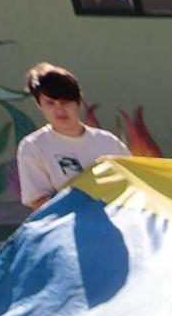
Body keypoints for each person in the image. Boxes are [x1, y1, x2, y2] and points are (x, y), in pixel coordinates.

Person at [14, 63, 129, 209]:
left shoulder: (109, 142)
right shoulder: (33, 146)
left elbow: (134, 184)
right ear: (40, 105)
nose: (59, 110)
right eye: (50, 103)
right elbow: (37, 200)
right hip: (66, 229)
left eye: (65, 102)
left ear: (79, 102)